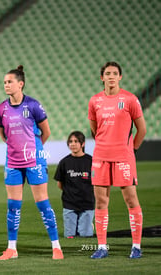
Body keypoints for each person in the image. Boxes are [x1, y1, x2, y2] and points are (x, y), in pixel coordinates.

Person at [0, 65, 64, 260]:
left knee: (42, 203)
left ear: (21, 84)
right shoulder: (1, 109)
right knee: (13, 205)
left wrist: (33, 150)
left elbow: (46, 132)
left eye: (10, 82)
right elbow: (3, 134)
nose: (6, 85)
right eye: (5, 82)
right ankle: (11, 249)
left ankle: (56, 247)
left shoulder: (33, 105)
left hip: (34, 160)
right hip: (12, 162)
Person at [88, 61, 146, 259]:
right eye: (107, 73)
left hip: (123, 158)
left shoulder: (130, 99)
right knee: (101, 201)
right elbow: (94, 129)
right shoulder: (94, 101)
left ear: (120, 77)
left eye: (114, 73)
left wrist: (132, 149)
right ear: (102, 77)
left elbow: (142, 129)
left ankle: (136, 246)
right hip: (100, 157)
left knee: (131, 200)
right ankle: (102, 247)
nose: (111, 76)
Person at [54, 131, 94, 238]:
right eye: (70, 141)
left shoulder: (91, 161)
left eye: (76, 141)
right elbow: (60, 184)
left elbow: (96, 182)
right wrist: (70, 193)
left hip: (87, 203)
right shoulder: (64, 162)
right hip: (69, 204)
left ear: (83, 144)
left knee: (85, 235)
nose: (73, 144)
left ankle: (87, 225)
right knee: (70, 236)